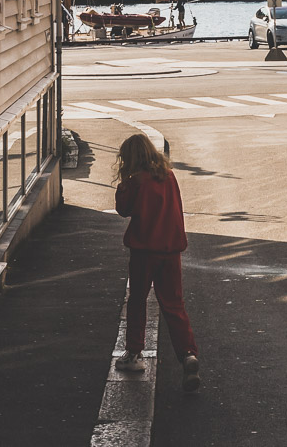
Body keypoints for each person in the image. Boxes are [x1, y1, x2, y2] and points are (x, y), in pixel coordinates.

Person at [113, 133, 200, 394]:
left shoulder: (136, 182)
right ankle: (188, 354)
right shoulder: (168, 176)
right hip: (171, 249)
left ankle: (134, 354)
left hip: (144, 251)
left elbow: (123, 209)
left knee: (138, 300)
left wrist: (122, 186)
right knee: (174, 304)